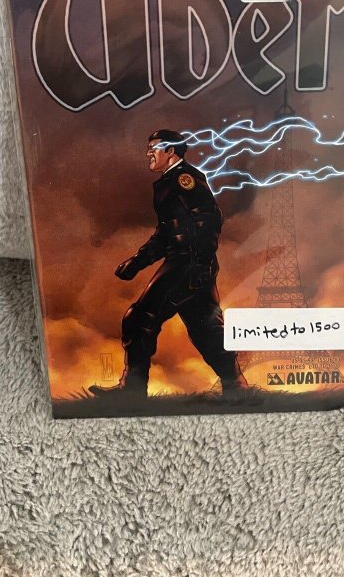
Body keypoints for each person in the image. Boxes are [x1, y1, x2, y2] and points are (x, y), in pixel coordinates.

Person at [89, 129, 247, 398]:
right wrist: (137, 262)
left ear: (171, 151)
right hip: (190, 263)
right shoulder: (169, 182)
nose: (148, 153)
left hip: (187, 263)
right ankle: (238, 388)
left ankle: (132, 391)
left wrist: (199, 263)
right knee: (205, 328)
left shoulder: (185, 179)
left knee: (140, 318)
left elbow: (208, 219)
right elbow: (167, 232)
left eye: (154, 148)